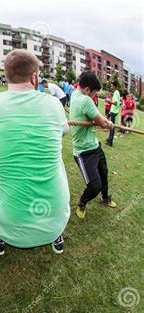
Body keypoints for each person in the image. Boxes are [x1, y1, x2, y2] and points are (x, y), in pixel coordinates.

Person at [0, 50, 70, 255]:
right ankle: (56, 234)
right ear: (34, 76)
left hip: (8, 224)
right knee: (56, 161)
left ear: (7, 76)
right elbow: (64, 130)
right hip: (57, 219)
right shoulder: (54, 104)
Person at [69, 71, 116, 219]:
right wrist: (108, 124)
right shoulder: (85, 100)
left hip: (95, 146)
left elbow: (95, 120)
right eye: (94, 93)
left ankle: (105, 198)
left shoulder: (74, 94)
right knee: (94, 186)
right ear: (87, 89)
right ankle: (82, 202)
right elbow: (102, 122)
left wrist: (101, 122)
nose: (94, 97)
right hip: (84, 152)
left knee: (104, 173)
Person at [105, 81, 120, 147]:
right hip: (113, 111)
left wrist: (109, 101)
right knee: (111, 125)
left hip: (113, 111)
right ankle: (109, 139)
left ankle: (110, 142)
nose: (111, 87)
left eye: (111, 86)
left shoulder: (116, 92)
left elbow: (116, 103)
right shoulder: (116, 92)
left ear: (114, 86)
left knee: (112, 126)